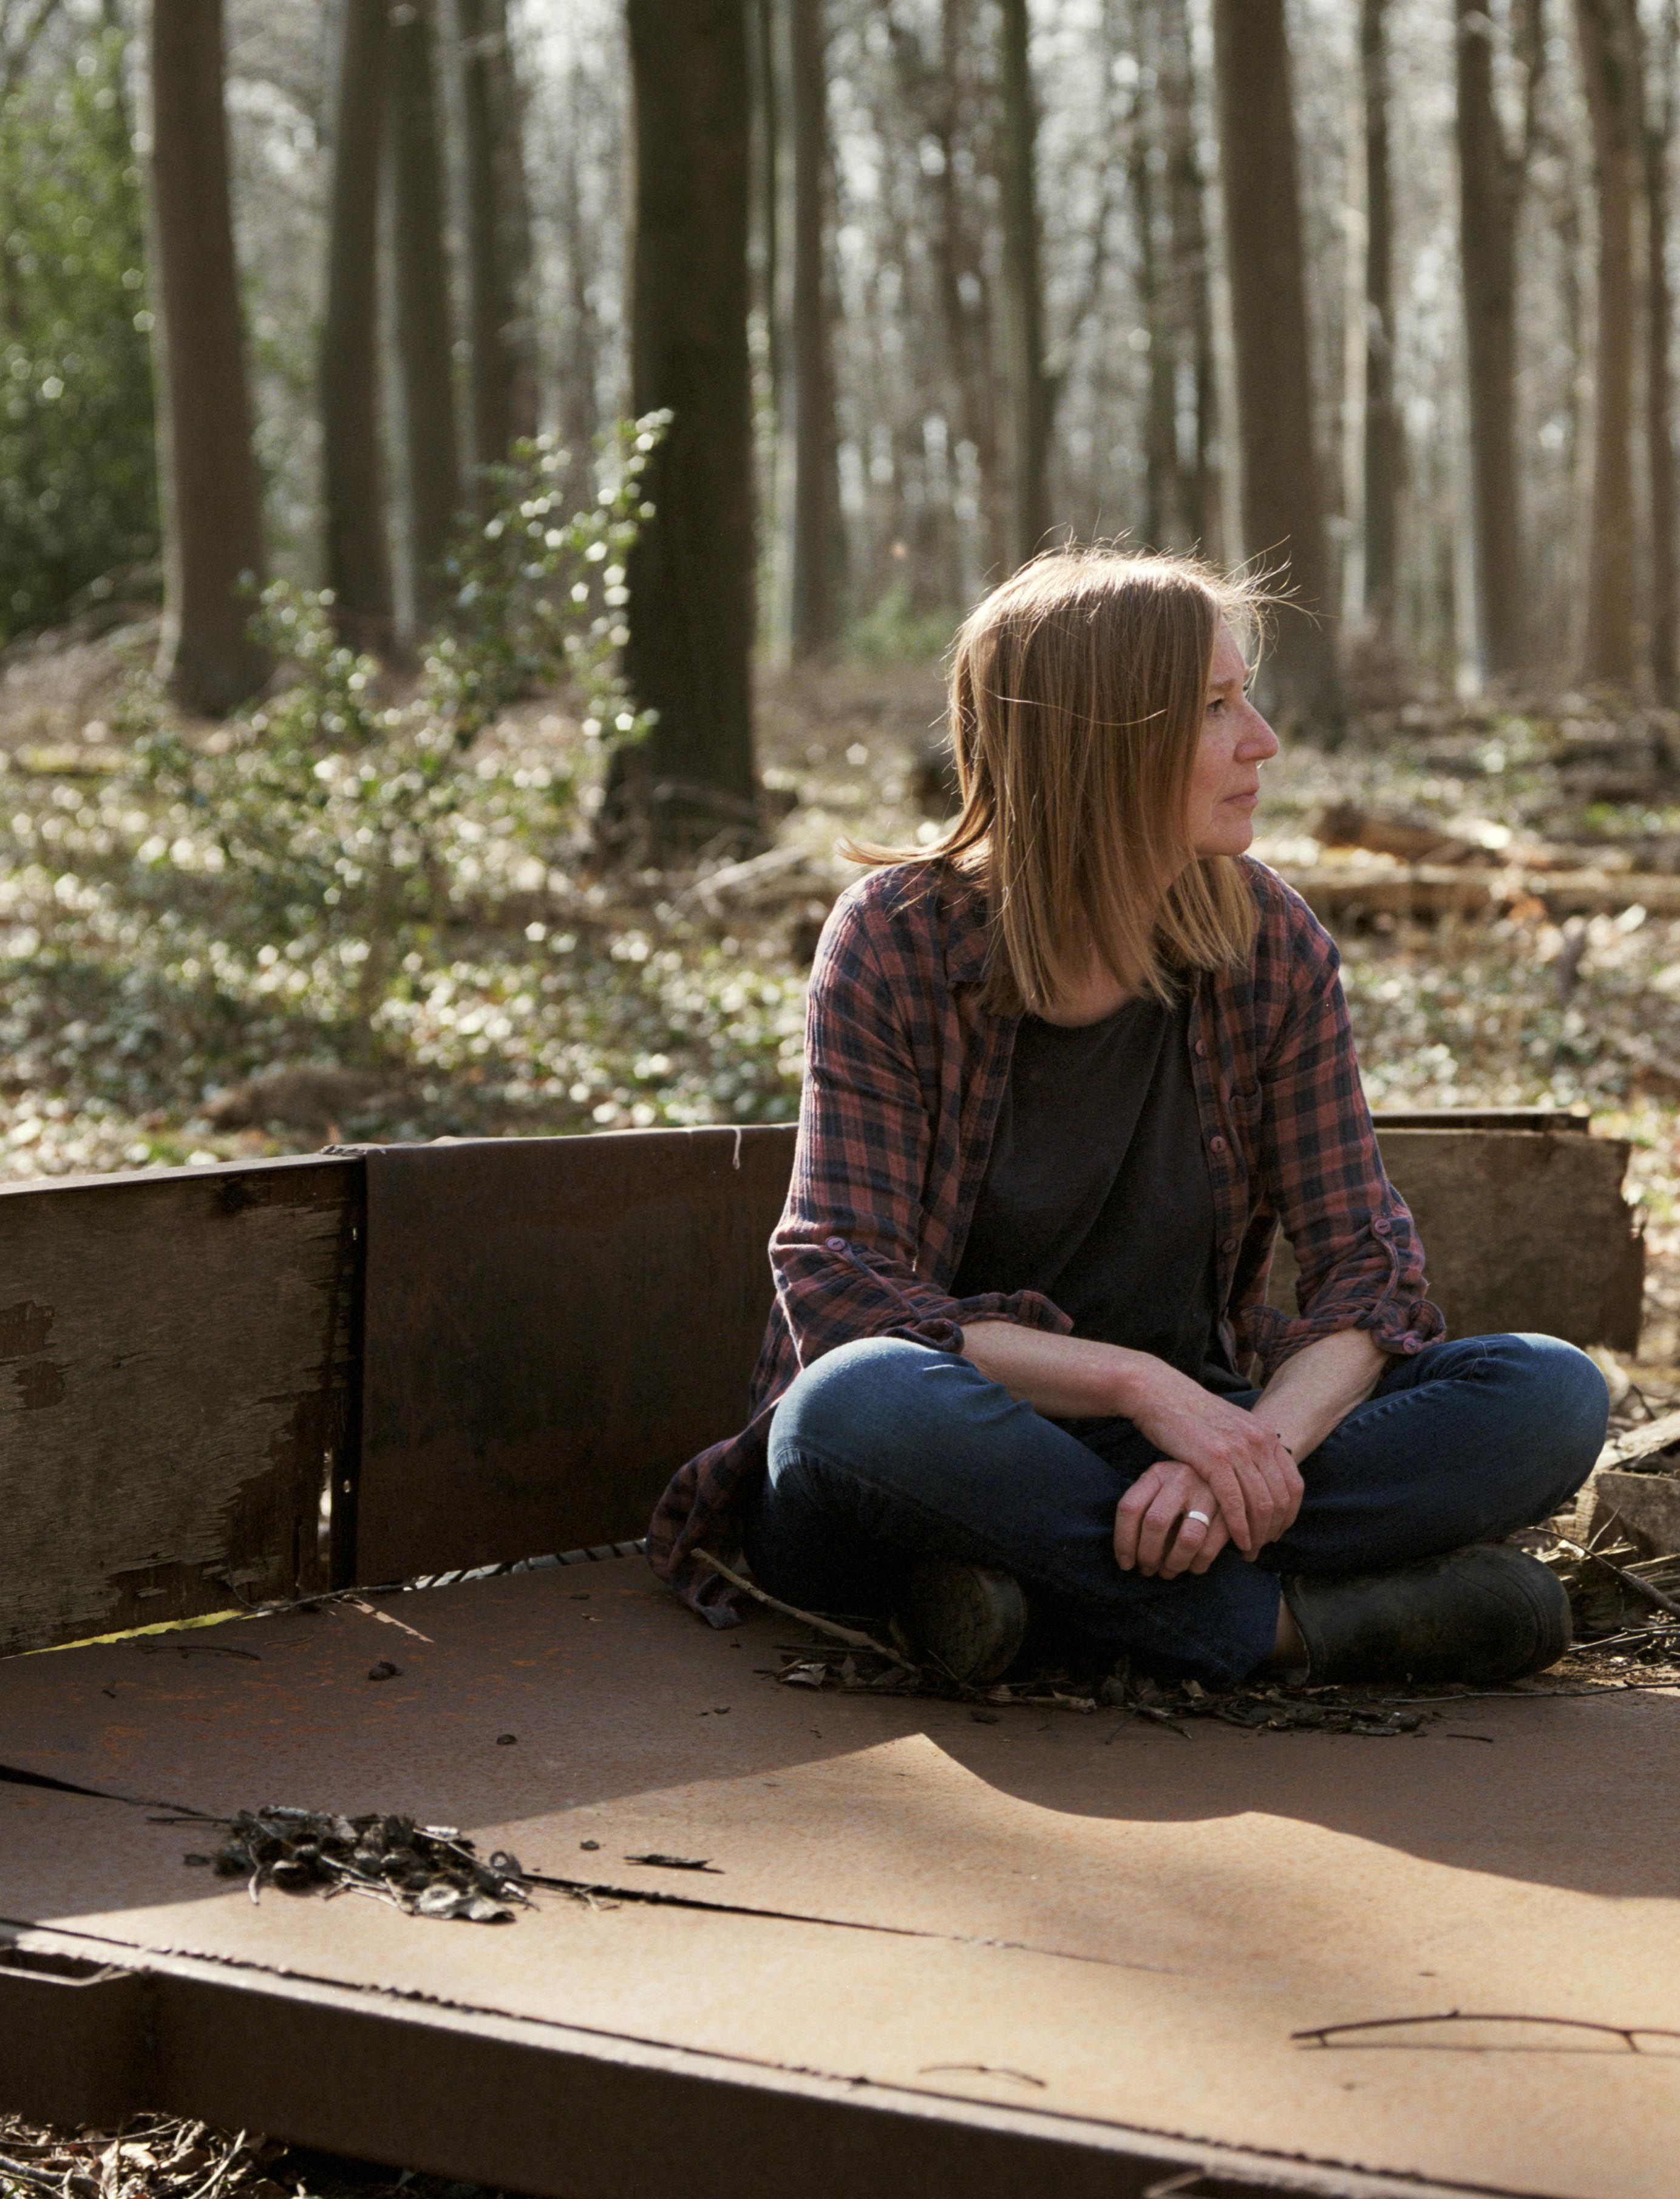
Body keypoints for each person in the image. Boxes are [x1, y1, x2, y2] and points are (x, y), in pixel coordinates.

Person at [648, 548, 1609, 1687]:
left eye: (1246, 696)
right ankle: (1277, 1630)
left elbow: (1370, 1278)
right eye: (1214, 708)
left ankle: (1042, 1607)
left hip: (1184, 1444)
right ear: (1100, 741)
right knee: (857, 1406)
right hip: (958, 1447)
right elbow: (840, 1288)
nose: (1263, 740)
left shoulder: (1272, 946)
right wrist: (1146, 1390)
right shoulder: (898, 941)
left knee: (1548, 1392)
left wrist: (1244, 1450)